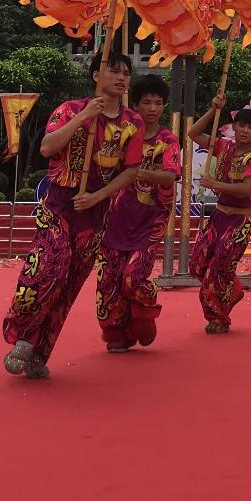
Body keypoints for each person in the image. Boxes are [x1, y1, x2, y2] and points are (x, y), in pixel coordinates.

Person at [3, 51, 143, 380]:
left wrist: (98, 196)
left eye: (126, 73)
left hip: (94, 210)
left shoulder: (131, 123)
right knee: (52, 265)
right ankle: (23, 334)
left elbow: (131, 170)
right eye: (113, 71)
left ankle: (40, 351)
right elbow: (47, 148)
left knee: (70, 283)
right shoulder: (70, 109)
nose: (121, 78)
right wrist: (84, 118)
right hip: (60, 204)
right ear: (96, 75)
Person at [96, 75, 181, 352]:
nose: (153, 108)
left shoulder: (168, 141)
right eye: (147, 102)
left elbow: (169, 177)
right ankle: (117, 333)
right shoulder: (122, 133)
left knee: (133, 277)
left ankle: (144, 317)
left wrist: (136, 171)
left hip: (149, 221)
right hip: (115, 219)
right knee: (109, 280)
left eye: (158, 103)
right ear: (135, 104)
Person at [189, 100, 251, 334]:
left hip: (239, 221)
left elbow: (245, 189)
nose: (245, 130)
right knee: (197, 265)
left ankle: (217, 317)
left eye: (250, 127)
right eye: (241, 125)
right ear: (233, 127)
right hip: (218, 217)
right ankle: (233, 288)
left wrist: (214, 183)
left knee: (217, 268)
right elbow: (193, 133)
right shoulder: (224, 147)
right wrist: (213, 109)